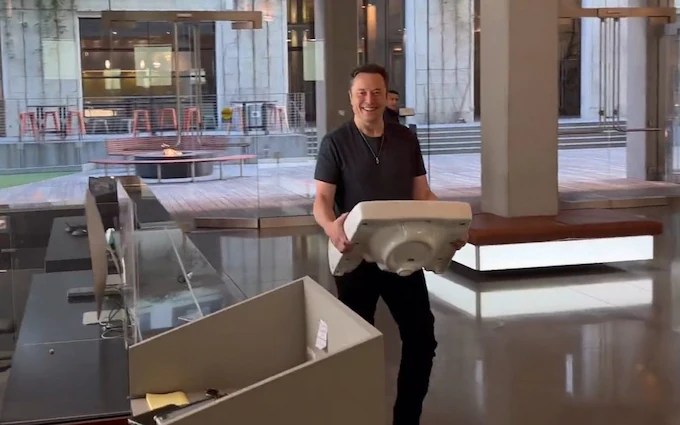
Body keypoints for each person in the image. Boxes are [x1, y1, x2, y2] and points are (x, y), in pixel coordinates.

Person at [313, 63, 467, 425]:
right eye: (362, 93)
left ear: (387, 97)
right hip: (357, 258)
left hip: (403, 255)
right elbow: (321, 198)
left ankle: (406, 419)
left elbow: (423, 194)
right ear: (351, 98)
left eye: (377, 92)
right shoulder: (335, 143)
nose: (369, 99)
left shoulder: (405, 139)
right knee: (354, 346)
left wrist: (449, 225)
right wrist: (331, 227)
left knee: (422, 341)